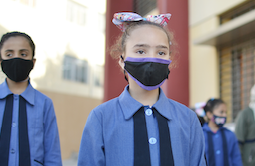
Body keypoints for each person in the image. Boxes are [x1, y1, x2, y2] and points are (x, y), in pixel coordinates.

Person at [77, 12, 206, 166]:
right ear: (122, 60)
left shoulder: (189, 120)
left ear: (169, 60)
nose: (152, 58)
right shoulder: (101, 118)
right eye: (140, 51)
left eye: (161, 52)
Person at [0, 31, 62, 165]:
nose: (16, 58)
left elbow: (52, 154)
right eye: (9, 54)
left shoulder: (45, 104)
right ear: (1, 60)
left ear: (33, 62)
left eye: (23, 54)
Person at [203, 98, 242, 166]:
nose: (225, 115)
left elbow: (236, 159)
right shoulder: (200, 134)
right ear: (209, 114)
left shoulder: (230, 135)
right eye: (221, 112)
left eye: (225, 112)